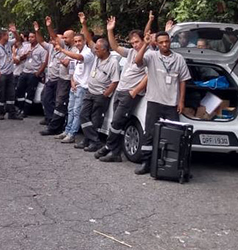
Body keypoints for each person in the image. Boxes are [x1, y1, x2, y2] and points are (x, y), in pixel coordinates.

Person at [134, 31, 192, 175]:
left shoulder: (179, 59)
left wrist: (181, 101)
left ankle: (175, 165)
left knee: (175, 135)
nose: (165, 44)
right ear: (157, 44)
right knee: (149, 133)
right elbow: (137, 61)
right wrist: (146, 44)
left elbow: (183, 80)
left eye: (167, 41)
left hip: (172, 104)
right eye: (161, 42)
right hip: (154, 101)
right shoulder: (152, 56)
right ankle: (146, 162)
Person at [95, 16, 149, 162]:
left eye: (137, 41)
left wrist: (135, 91)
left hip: (130, 93)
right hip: (121, 90)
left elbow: (148, 76)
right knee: (116, 123)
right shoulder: (131, 52)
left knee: (117, 122)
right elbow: (115, 47)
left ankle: (110, 149)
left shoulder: (148, 54)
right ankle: (113, 150)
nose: (134, 45)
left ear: (144, 40)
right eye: (132, 42)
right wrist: (110, 30)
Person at [58, 12, 96, 144]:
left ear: (84, 41)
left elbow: (79, 59)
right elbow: (73, 70)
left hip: (83, 87)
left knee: (76, 111)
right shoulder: (76, 51)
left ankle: (72, 134)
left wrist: (62, 50)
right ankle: (67, 130)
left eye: (80, 41)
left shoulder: (88, 53)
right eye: (76, 42)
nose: (78, 43)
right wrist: (72, 82)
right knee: (70, 109)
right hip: (75, 86)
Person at [77, 38, 120, 152]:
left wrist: (106, 93)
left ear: (105, 50)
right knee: (83, 115)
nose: (95, 50)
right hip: (90, 91)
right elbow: (89, 41)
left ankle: (90, 141)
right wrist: (83, 23)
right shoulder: (97, 57)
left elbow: (115, 81)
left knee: (96, 120)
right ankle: (94, 140)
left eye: (97, 49)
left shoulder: (113, 62)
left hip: (101, 95)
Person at [41, 16, 75, 136]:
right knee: (58, 103)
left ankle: (55, 127)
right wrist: (49, 26)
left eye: (66, 37)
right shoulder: (66, 47)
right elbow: (54, 37)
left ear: (72, 38)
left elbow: (69, 63)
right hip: (62, 78)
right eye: (63, 37)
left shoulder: (75, 49)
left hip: (68, 80)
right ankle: (57, 126)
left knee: (61, 103)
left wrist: (66, 61)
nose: (63, 39)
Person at [15, 21, 48, 118]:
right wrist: (25, 55)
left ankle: (25, 111)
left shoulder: (42, 49)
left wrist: (38, 73)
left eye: (32, 37)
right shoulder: (26, 46)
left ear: (37, 38)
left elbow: (44, 63)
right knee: (19, 90)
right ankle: (20, 108)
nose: (30, 39)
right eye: (29, 37)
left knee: (30, 93)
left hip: (33, 73)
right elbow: (19, 58)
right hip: (24, 71)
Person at [0, 24, 22, 120]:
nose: (9, 37)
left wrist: (15, 32)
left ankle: (11, 113)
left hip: (10, 73)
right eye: (7, 35)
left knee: (11, 93)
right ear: (2, 36)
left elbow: (18, 40)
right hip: (2, 74)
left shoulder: (8, 44)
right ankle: (1, 112)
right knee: (1, 93)